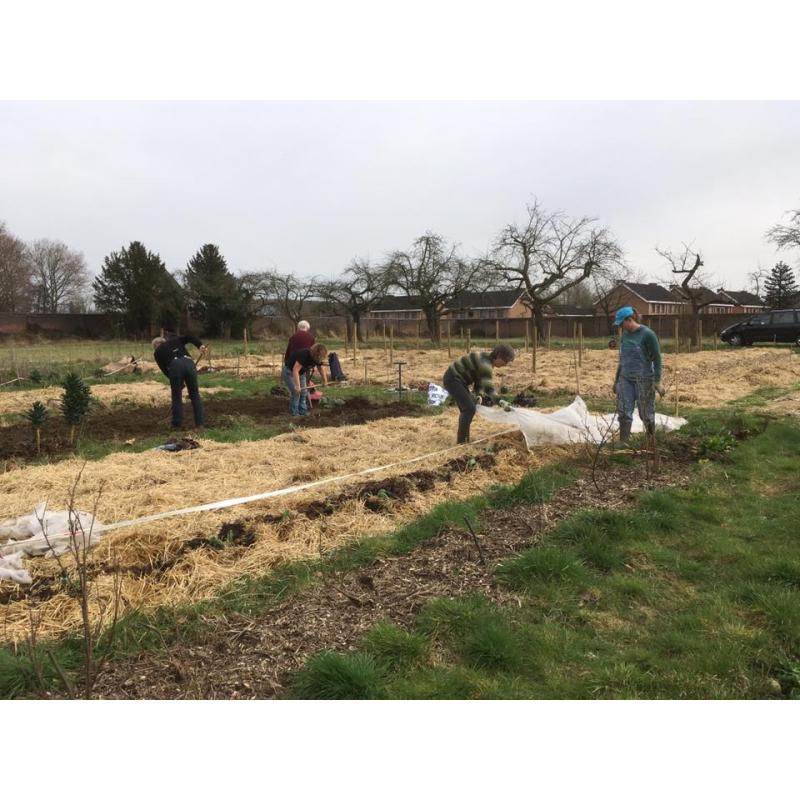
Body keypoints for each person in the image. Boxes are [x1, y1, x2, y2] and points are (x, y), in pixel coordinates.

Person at [612, 305, 664, 446]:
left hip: (644, 379)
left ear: (629, 320)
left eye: (621, 323)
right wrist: (616, 380)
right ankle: (624, 441)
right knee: (623, 410)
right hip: (625, 378)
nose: (620, 327)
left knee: (645, 412)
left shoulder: (648, 334)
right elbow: (622, 359)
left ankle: (650, 440)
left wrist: (658, 381)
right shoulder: (624, 336)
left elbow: (657, 358)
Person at [442, 344, 515, 444]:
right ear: (498, 355)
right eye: (505, 361)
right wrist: (500, 401)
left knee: (468, 408)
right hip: (453, 379)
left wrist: (479, 395)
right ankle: (462, 443)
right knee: (469, 409)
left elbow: (479, 380)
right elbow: (489, 388)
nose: (506, 364)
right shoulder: (486, 364)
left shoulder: (487, 360)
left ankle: (464, 439)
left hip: (460, 380)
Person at [152, 335, 208, 431]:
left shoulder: (157, 353)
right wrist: (200, 346)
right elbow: (190, 337)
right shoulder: (175, 340)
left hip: (175, 367)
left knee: (177, 397)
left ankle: (176, 425)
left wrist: (177, 382)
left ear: (155, 346)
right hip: (190, 364)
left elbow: (165, 370)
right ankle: (200, 425)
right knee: (195, 395)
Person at [283, 343, 328, 417]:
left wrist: (324, 380)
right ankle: (294, 413)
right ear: (316, 355)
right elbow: (295, 370)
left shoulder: (317, 358)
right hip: (289, 372)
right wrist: (297, 386)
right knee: (296, 392)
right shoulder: (304, 355)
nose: (320, 360)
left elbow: (320, 368)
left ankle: (303, 411)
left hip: (301, 373)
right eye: (320, 358)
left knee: (304, 392)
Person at [284, 321, 316, 414]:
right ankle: (297, 410)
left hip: (292, 364)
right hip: (304, 365)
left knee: (297, 390)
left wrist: (287, 362)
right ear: (308, 328)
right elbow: (314, 352)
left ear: (298, 328)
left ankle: (300, 409)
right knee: (302, 389)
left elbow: (289, 351)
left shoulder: (293, 337)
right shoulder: (311, 337)